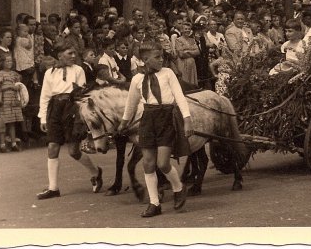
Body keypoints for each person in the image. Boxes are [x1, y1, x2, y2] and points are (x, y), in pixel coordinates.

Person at [117, 42, 192, 217]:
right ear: (145, 59)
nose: (161, 60)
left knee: (163, 163)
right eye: (157, 57)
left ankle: (178, 188)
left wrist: (187, 119)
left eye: (162, 56)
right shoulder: (137, 79)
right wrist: (124, 122)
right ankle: (154, 203)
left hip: (166, 117)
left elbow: (180, 97)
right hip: (148, 119)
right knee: (148, 163)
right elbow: (131, 103)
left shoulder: (168, 73)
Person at [36, 43, 103, 200]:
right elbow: (45, 95)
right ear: (60, 55)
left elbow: (80, 93)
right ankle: (53, 188)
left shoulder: (78, 70)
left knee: (73, 151)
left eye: (74, 53)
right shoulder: (49, 73)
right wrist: (42, 117)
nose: (74, 56)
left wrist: (82, 116)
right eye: (70, 53)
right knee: (52, 146)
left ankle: (95, 172)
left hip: (71, 109)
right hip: (55, 109)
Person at [0, 55, 24, 152]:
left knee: (12, 122)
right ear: (2, 62)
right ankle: (2, 145)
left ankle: (13, 144)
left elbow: (19, 86)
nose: (9, 63)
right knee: (2, 122)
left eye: (10, 61)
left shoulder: (15, 74)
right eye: (7, 61)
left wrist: (18, 87)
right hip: (4, 100)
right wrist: (10, 87)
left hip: (13, 99)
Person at [174, 21, 199, 86]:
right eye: (185, 29)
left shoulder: (192, 40)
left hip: (192, 64)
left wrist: (187, 51)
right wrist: (192, 51)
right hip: (183, 63)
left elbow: (198, 52)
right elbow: (181, 54)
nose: (187, 30)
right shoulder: (178, 40)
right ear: (181, 30)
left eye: (189, 29)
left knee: (192, 83)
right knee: (185, 83)